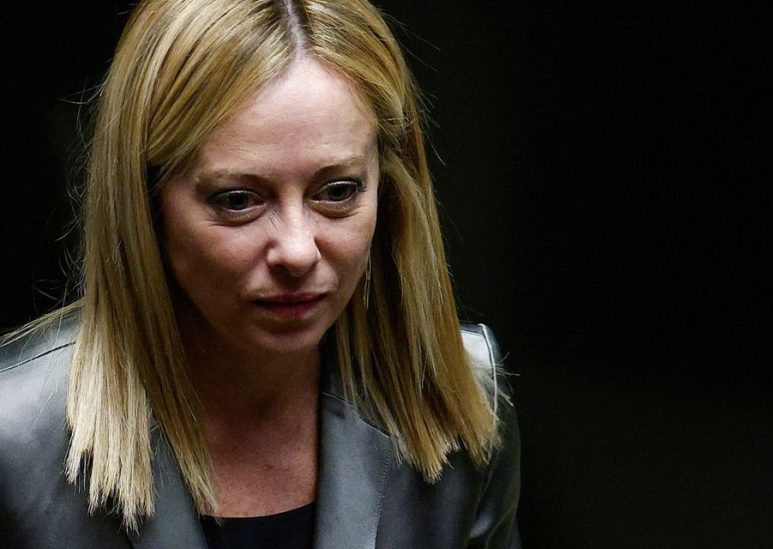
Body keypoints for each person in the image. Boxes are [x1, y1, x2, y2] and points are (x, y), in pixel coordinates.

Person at [0, 0, 520, 547]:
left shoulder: (459, 404)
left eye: (337, 192)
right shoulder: (14, 442)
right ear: (145, 202)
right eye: (238, 199)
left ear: (388, 190)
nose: (297, 252)